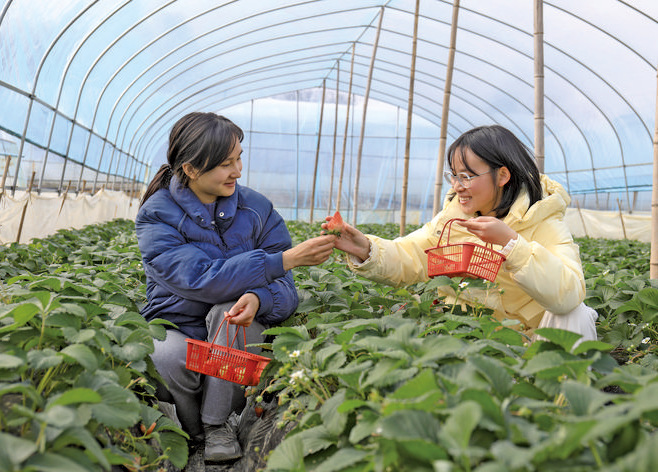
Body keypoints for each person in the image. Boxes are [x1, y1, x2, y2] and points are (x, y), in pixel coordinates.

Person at [135, 112, 336, 462]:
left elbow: (286, 291)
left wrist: (259, 298)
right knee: (163, 355)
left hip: (235, 335)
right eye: (226, 163)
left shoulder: (257, 209)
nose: (238, 170)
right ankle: (191, 429)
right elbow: (199, 277)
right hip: (180, 329)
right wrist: (281, 261)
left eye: (239, 158)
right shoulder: (157, 215)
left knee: (228, 316)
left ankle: (217, 425)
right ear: (191, 169)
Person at [324, 124, 597, 343]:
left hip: (529, 342)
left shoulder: (543, 222)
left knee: (576, 314)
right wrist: (365, 249)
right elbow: (413, 253)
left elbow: (569, 292)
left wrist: (511, 243)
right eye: (453, 175)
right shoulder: (452, 218)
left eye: (466, 176)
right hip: (466, 334)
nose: (457, 186)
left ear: (502, 176)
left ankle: (558, 404)